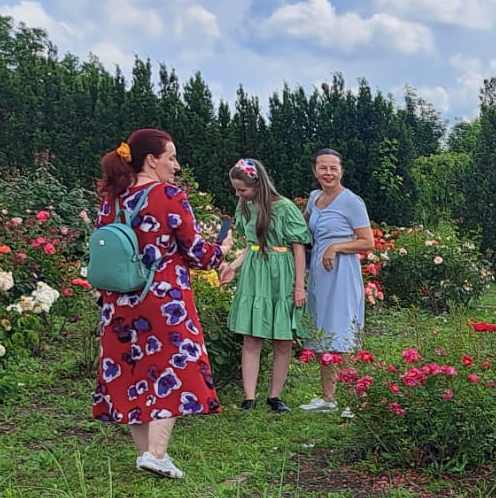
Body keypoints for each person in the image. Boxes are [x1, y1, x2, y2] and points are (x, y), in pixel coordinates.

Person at [93, 128, 231, 479]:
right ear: (151, 160)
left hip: (118, 302)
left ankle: (145, 454)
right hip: (162, 299)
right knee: (174, 369)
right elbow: (197, 252)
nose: (176, 164)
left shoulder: (111, 199)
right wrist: (223, 252)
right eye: (171, 157)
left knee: (132, 372)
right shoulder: (169, 195)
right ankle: (156, 453)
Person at [220, 157, 310, 411]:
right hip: (254, 272)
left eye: (243, 189)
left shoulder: (284, 208)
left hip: (281, 271)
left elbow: (298, 248)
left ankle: (275, 396)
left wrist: (299, 285)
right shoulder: (245, 207)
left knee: (282, 339)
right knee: (252, 337)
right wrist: (232, 267)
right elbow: (251, 246)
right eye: (236, 189)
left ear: (258, 184)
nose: (239, 194)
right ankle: (249, 397)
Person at [299, 148, 374, 413]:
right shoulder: (314, 198)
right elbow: (302, 227)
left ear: (341, 170)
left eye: (333, 167)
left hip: (342, 273)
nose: (328, 173)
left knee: (341, 333)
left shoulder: (351, 201)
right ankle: (328, 398)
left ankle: (355, 401)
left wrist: (335, 247)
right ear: (315, 171)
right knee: (322, 332)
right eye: (323, 167)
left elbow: (368, 242)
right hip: (320, 274)